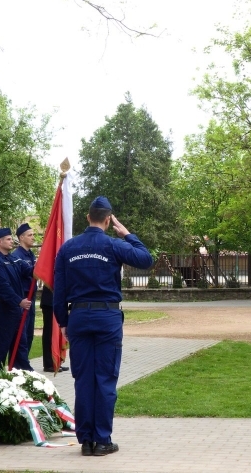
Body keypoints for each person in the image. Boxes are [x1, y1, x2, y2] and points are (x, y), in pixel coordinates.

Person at [53, 196, 154, 457]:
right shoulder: (113, 244)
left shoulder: (68, 248)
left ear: (88, 217)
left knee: (83, 379)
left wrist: (63, 322)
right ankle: (102, 440)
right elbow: (146, 259)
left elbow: (59, 291)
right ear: (108, 220)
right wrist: (128, 234)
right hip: (107, 318)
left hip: (78, 318)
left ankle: (86, 440)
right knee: (105, 379)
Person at [0, 227, 34, 371]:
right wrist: (19, 301)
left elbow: (28, 271)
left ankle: (23, 374)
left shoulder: (13, 258)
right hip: (4, 312)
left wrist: (40, 265)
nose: (11, 242)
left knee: (20, 345)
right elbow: (3, 287)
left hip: (16, 311)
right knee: (1, 347)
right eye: (8, 239)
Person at [12, 223, 37, 361]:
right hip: (23, 298)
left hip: (31, 297)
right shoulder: (17, 256)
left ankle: (24, 363)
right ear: (21, 237)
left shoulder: (30, 254)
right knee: (22, 334)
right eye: (30, 235)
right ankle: (19, 364)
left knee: (29, 333)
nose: (33, 238)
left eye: (33, 235)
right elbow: (28, 272)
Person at [40, 284, 69, 372]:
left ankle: (56, 361)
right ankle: (49, 364)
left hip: (56, 301)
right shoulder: (52, 270)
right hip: (49, 302)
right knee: (49, 334)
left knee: (57, 334)